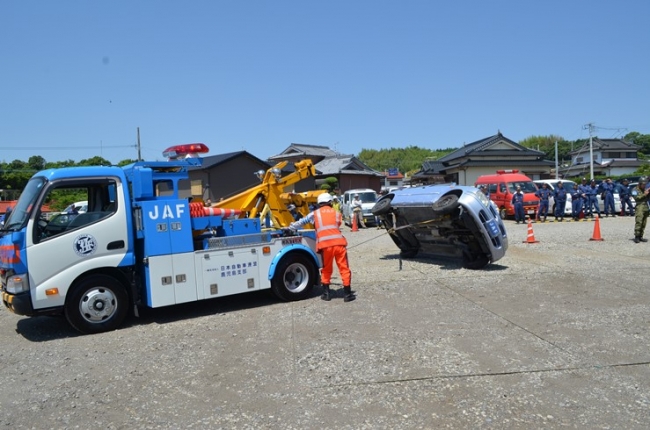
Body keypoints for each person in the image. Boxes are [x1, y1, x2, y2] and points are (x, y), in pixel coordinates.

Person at [290, 193, 354, 301]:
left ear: (319, 203)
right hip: (339, 244)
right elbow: (337, 225)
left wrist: (291, 226)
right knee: (344, 268)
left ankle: (326, 294)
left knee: (326, 269)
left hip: (325, 246)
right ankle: (347, 294)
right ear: (330, 202)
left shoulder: (314, 214)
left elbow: (301, 222)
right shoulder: (337, 213)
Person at [631, 178, 650, 243]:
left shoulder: (644, 189)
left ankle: (641, 236)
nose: (644, 186)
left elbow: (647, 197)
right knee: (639, 221)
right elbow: (637, 198)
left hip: (645, 206)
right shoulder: (635, 190)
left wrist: (648, 193)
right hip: (639, 206)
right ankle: (637, 236)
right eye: (643, 184)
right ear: (640, 183)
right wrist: (645, 194)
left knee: (644, 222)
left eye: (645, 184)